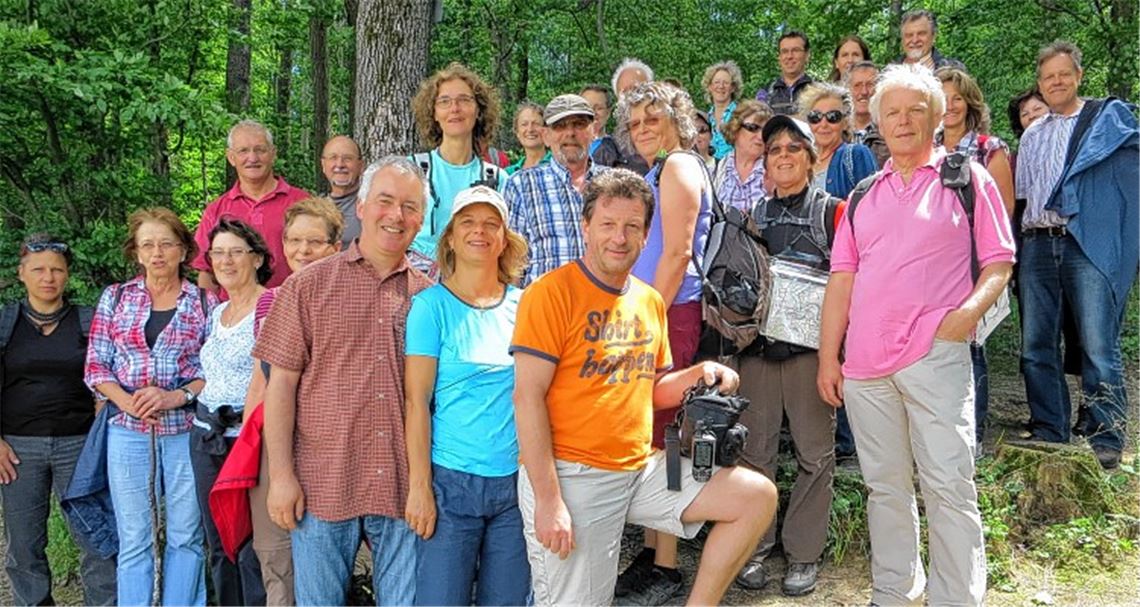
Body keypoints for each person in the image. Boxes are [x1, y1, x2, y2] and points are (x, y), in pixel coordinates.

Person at [511, 168, 778, 606]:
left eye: (632, 227)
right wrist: (548, 499)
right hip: (576, 475)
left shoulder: (649, 300)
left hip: (643, 468)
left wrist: (698, 374)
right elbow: (527, 398)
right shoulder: (550, 294)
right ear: (586, 226)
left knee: (754, 498)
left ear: (646, 233)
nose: (619, 237)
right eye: (608, 225)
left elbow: (649, 389)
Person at [817, 64, 1014, 606]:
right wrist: (828, 358)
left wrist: (963, 319)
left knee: (949, 484)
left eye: (915, 110)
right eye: (892, 112)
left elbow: (999, 262)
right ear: (878, 121)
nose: (903, 121)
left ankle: (957, 597)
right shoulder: (861, 195)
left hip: (936, 354)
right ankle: (894, 591)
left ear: (937, 116)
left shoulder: (965, 177)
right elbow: (841, 280)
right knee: (885, 487)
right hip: (864, 366)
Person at [256, 157, 433, 605]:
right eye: (386, 201)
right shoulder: (309, 287)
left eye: (410, 206)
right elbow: (280, 387)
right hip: (321, 483)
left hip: (401, 484)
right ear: (361, 206)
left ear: (421, 218)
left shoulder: (430, 296)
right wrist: (281, 476)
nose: (396, 215)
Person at [207, 198, 345, 607]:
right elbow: (260, 380)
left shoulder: (348, 299)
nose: (303, 251)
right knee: (275, 557)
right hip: (276, 443)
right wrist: (252, 450)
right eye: (294, 240)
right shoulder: (270, 302)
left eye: (314, 242)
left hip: (328, 446)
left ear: (336, 247)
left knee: (324, 561)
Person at [611, 82, 713, 605]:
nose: (643, 128)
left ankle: (666, 566)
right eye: (635, 123)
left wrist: (647, 317)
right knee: (654, 432)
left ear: (677, 118)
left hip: (671, 313)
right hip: (661, 311)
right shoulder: (662, 169)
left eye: (653, 117)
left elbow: (676, 254)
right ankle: (654, 552)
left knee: (669, 434)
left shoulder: (678, 167)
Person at [404, 186, 531, 606]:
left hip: (514, 485)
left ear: (504, 238)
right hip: (450, 483)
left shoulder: (525, 306)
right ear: (450, 239)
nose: (480, 232)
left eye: (491, 224)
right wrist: (419, 487)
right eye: (468, 223)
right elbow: (416, 401)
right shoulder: (430, 307)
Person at [86, 208, 217, 606]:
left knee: (185, 536)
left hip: (183, 431)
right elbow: (95, 364)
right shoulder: (117, 297)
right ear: (136, 253)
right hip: (126, 432)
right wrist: (128, 402)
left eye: (166, 244)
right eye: (148, 245)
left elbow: (215, 371)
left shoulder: (203, 301)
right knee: (135, 536)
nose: (157, 253)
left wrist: (176, 396)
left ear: (182, 250)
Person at [1016, 41, 1137, 469]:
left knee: (1098, 343)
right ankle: (1051, 429)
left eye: (1064, 74)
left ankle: (1107, 441)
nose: (1057, 82)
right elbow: (1024, 197)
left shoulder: (1102, 125)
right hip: (1037, 243)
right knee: (1036, 344)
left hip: (1083, 241)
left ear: (1078, 76)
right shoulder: (1032, 134)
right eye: (1048, 77)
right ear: (1040, 83)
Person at [732, 115, 839, 597]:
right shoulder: (754, 213)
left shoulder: (833, 212)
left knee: (815, 455)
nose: (783, 157)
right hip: (757, 352)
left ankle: (802, 553)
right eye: (774, 150)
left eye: (794, 148)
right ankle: (753, 546)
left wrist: (837, 355)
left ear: (811, 157)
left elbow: (850, 284)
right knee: (756, 453)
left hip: (811, 355)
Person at [0, 235, 117, 606]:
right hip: (18, 449)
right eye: (38, 269)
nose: (47, 277)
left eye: (56, 269)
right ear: (22, 274)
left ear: (67, 276)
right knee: (24, 545)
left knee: (95, 537)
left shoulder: (89, 320)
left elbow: (109, 372)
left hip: (80, 445)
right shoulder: (5, 323)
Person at [190, 219, 270, 606]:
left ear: (256, 258)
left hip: (247, 440)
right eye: (218, 253)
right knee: (218, 539)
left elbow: (272, 381)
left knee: (250, 541)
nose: (226, 260)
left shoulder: (269, 308)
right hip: (205, 436)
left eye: (236, 251)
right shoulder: (216, 312)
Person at [194, 120, 309, 292]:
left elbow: (320, 260)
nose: (252, 158)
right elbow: (206, 270)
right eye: (243, 151)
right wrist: (208, 312)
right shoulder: (216, 210)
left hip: (291, 307)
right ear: (231, 157)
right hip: (234, 312)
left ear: (273, 154)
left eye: (260, 150)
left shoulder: (302, 202)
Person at [505, 94, 607, 287]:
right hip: (544, 307)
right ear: (546, 136)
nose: (570, 133)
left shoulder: (613, 184)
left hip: (603, 309)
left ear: (593, 131)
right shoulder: (521, 184)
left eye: (579, 124)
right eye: (560, 126)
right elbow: (512, 263)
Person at [409, 62, 508, 257]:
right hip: (418, 280)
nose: (455, 108)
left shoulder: (497, 179)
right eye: (444, 101)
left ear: (478, 110)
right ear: (434, 113)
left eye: (464, 100)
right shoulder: (411, 171)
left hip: (475, 279)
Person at [798, 83, 877, 199]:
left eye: (833, 117)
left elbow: (871, 204)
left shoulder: (856, 155)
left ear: (845, 123)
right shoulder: (800, 160)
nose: (823, 124)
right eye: (816, 117)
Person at [590, 59, 653, 175]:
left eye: (638, 89)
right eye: (625, 92)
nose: (632, 97)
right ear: (618, 99)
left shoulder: (669, 134)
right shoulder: (607, 150)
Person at [712, 99, 773, 214]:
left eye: (766, 131)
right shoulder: (718, 170)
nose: (760, 136)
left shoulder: (774, 169)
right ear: (735, 128)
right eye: (752, 128)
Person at [320, 135, 364, 246]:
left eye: (348, 158)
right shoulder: (316, 207)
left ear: (361, 166)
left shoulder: (371, 205)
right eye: (333, 158)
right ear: (323, 165)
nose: (340, 165)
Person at [756, 31, 815, 115]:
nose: (789, 56)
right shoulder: (765, 92)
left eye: (795, 50)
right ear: (779, 57)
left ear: (807, 55)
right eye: (784, 51)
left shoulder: (819, 90)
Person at [847, 61, 890, 167]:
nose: (864, 92)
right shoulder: (836, 130)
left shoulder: (890, 131)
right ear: (848, 90)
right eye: (857, 85)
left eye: (870, 85)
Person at [892, 10, 965, 71]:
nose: (914, 40)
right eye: (909, 35)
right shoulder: (890, 72)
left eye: (921, 34)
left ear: (934, 36)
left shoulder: (951, 70)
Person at [701, 60, 744, 160]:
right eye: (717, 82)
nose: (721, 86)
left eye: (726, 83)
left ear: (733, 87)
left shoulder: (741, 114)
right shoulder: (705, 119)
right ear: (710, 87)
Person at [506, 102, 550, 174]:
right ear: (517, 132)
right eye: (524, 124)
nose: (530, 129)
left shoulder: (560, 165)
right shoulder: (509, 173)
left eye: (536, 123)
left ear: (546, 130)